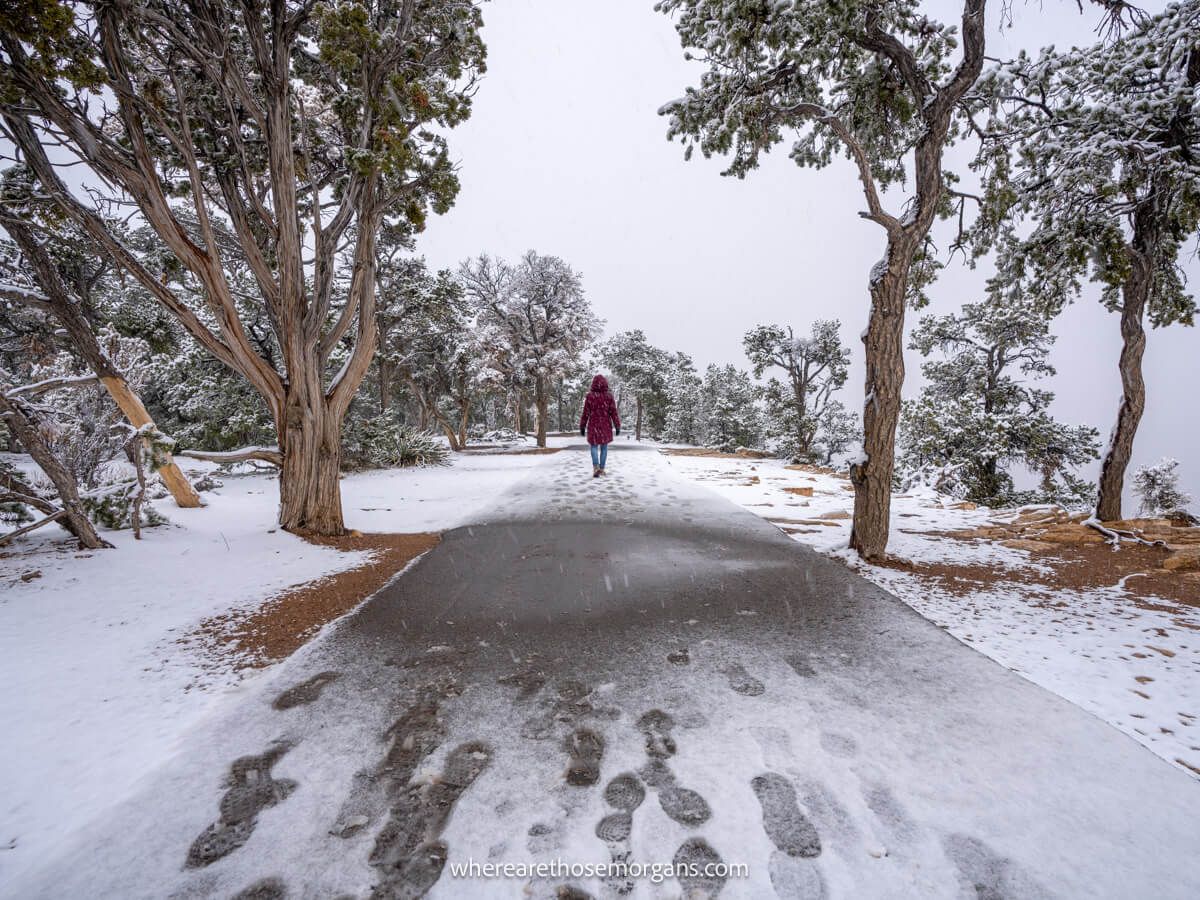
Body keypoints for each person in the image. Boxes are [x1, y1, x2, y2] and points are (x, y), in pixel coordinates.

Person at [579, 374, 621, 477]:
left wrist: (582, 426)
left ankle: (596, 467)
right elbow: (613, 412)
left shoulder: (590, 396)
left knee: (593, 446)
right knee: (604, 447)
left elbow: (586, 413)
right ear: (605, 384)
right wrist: (617, 425)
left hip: (593, 425)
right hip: (605, 425)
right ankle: (601, 469)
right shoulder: (609, 396)